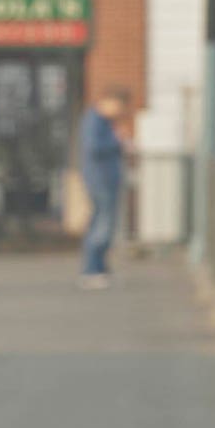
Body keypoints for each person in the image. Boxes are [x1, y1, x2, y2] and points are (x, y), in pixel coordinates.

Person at [79, 87, 129, 290]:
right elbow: (94, 147)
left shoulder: (103, 122)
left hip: (105, 178)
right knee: (102, 225)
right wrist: (117, 141)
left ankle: (99, 268)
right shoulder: (95, 120)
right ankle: (92, 270)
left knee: (102, 223)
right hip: (101, 179)